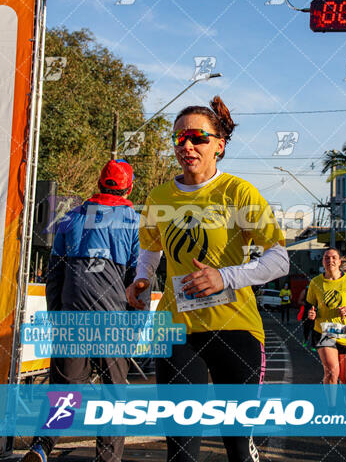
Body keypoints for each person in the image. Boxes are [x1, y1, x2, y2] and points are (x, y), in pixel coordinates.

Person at [127, 96, 289, 462]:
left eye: (198, 138)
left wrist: (225, 277)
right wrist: (142, 277)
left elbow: (279, 259)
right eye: (179, 138)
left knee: (236, 448)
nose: (187, 146)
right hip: (176, 330)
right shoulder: (159, 196)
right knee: (181, 451)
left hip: (236, 329)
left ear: (219, 145)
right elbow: (151, 246)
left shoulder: (238, 193)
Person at [21, 159, 139, 462]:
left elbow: (54, 277)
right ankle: (107, 459)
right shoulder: (133, 222)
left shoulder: (70, 218)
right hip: (112, 322)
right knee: (113, 396)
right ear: (129, 187)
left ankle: (41, 447)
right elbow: (137, 283)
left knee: (64, 390)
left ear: (99, 184)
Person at [307, 248, 346, 385]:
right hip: (325, 332)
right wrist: (311, 314)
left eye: (334, 257)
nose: (330, 261)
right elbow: (308, 306)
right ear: (322, 261)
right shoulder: (315, 282)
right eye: (326, 258)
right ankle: (331, 407)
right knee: (332, 372)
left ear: (340, 261)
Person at [298, 283, 315, 350]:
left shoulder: (318, 291)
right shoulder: (305, 291)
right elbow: (299, 301)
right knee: (306, 328)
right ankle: (305, 339)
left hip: (316, 313)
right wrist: (306, 304)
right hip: (306, 313)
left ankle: (313, 345)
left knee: (315, 330)